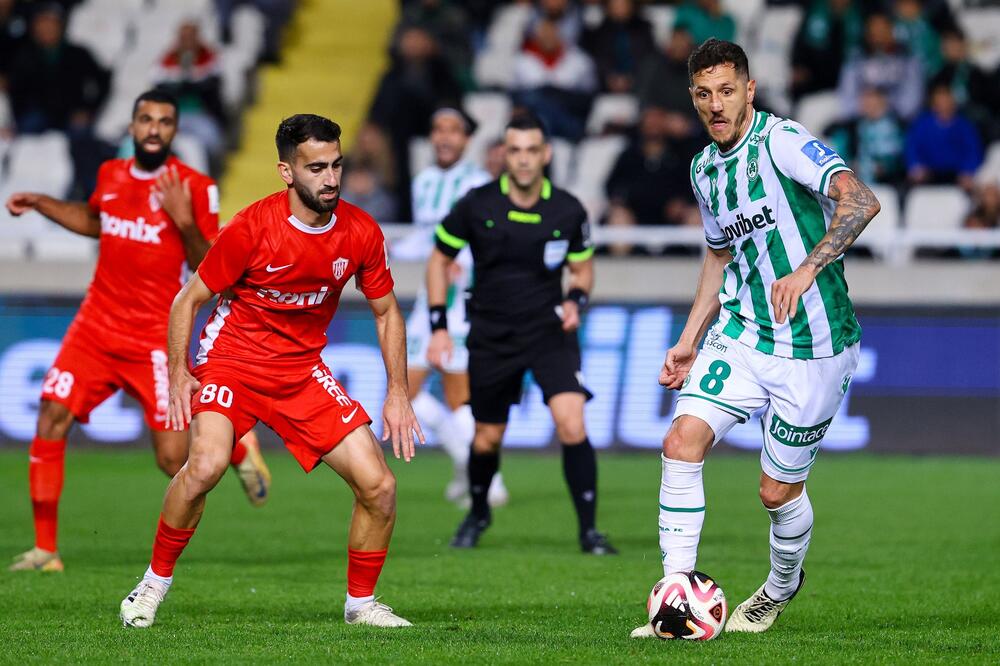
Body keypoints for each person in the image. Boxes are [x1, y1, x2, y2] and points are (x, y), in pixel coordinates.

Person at [118, 114, 423, 629]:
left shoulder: (361, 231)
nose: (330, 179)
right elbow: (187, 299)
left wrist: (399, 392)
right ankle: (151, 585)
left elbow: (387, 310)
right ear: (287, 171)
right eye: (316, 168)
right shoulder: (251, 228)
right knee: (206, 466)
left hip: (301, 372)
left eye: (337, 166)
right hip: (232, 364)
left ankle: (361, 605)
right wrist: (179, 372)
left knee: (381, 487)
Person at [629, 39, 881, 637]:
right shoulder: (703, 169)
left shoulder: (782, 141)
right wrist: (691, 337)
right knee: (681, 443)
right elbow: (719, 257)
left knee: (776, 492)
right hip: (741, 332)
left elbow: (861, 200)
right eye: (703, 94)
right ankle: (675, 594)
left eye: (726, 90)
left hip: (815, 346)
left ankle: (778, 588)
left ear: (749, 89)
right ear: (692, 99)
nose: (716, 105)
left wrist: (806, 269)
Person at [5, 90, 271, 573]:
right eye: (145, 119)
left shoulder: (194, 186)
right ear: (131, 127)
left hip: (154, 335)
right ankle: (46, 550)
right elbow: (94, 220)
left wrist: (184, 220)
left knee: (173, 461)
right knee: (50, 416)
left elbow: (208, 267)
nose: (154, 128)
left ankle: (236, 447)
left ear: (174, 131)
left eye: (164, 121)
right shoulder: (111, 175)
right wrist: (43, 203)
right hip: (96, 326)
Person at [427, 112, 617, 555]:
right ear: (504, 155)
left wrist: (577, 301)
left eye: (533, 150)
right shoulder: (477, 205)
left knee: (572, 422)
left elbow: (583, 271)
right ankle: (477, 515)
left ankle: (589, 531)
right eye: (516, 150)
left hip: (549, 332)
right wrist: (438, 326)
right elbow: (438, 260)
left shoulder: (568, 210)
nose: (525, 159)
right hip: (492, 334)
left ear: (546, 154)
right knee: (487, 436)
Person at [392, 107, 508, 506]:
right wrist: (386, 249)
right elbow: (426, 239)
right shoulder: (423, 182)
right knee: (404, 392)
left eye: (453, 130)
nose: (443, 137)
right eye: (437, 129)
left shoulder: (478, 185)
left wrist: (466, 262)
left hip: (463, 305)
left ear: (466, 139)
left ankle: (484, 478)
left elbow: (490, 243)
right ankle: (472, 470)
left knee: (459, 396)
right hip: (430, 301)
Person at [905, 82, 983, 191]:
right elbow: (912, 149)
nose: (943, 105)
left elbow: (973, 151)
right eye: (939, 102)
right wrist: (915, 166)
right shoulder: (921, 125)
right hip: (928, 175)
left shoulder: (965, 126)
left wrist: (968, 171)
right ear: (933, 104)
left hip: (956, 174)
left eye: (946, 101)